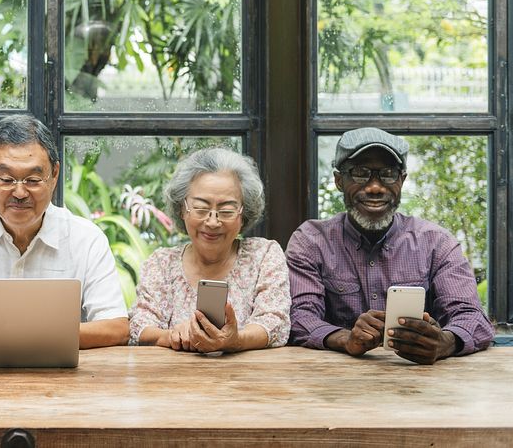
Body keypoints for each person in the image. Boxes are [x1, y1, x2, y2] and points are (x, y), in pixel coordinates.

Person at [286, 127, 494, 364]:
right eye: (361, 173)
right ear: (339, 180)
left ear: (402, 181)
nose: (375, 187)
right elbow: (299, 316)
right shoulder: (311, 241)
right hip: (333, 383)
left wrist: (445, 342)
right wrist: (345, 339)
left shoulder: (436, 242)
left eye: (387, 174)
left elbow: (472, 317)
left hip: (421, 382)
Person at [0, 115, 129, 348]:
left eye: (32, 179)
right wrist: (42, 335)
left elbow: (116, 328)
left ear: (55, 175)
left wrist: (22, 336)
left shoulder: (86, 239)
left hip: (63, 379)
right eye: (7, 179)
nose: (19, 193)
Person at [129, 147, 290, 352]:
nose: (213, 222)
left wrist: (236, 340)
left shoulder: (264, 255)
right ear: (182, 209)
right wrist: (172, 336)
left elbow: (275, 321)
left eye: (226, 210)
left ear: (244, 213)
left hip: (248, 380)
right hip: (172, 380)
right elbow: (139, 326)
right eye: (201, 208)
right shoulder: (161, 264)